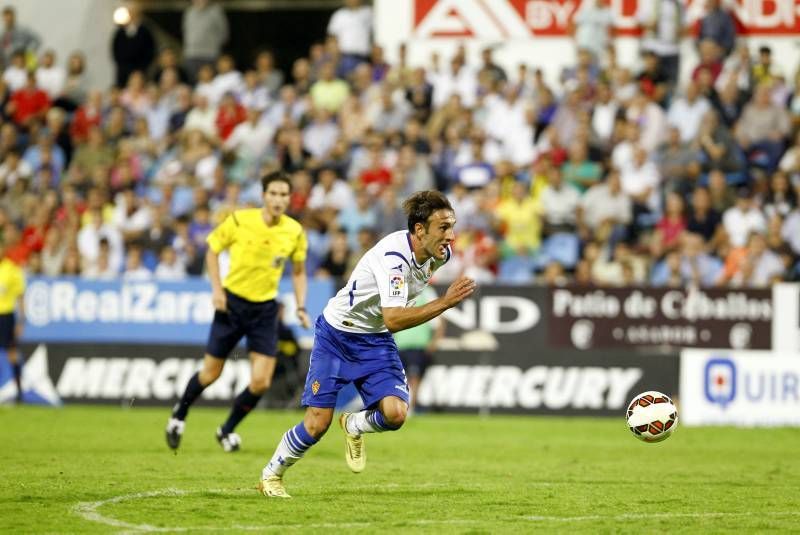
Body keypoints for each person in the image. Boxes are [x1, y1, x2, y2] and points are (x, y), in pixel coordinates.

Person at [258, 190, 476, 498]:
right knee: (317, 425)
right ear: (419, 230)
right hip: (337, 335)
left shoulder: (440, 255)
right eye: (443, 227)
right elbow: (395, 319)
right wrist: (444, 303)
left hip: (374, 340)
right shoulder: (394, 259)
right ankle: (271, 475)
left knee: (396, 414)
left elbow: (388, 321)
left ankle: (355, 424)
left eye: (451, 226)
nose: (451, 236)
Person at [165, 171, 311, 452]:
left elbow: (300, 272)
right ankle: (178, 416)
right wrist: (217, 290)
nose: (279, 199)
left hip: (265, 310)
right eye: (274, 193)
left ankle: (226, 429)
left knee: (260, 381)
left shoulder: (294, 231)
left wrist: (301, 305)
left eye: (284, 194)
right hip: (232, 305)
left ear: (289, 198)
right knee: (210, 374)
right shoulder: (240, 220)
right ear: (264, 195)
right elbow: (211, 250)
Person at [394, 285, 444, 413]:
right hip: (399, 344)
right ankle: (401, 407)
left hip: (418, 344)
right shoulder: (398, 290)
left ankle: (409, 409)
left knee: (414, 377)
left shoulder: (427, 292)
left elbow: (439, 319)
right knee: (399, 379)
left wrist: (434, 342)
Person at [0, 239, 25, 402]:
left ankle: (18, 390)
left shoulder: (11, 269)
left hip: (6, 316)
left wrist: (21, 320)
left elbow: (21, 296)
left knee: (12, 353)